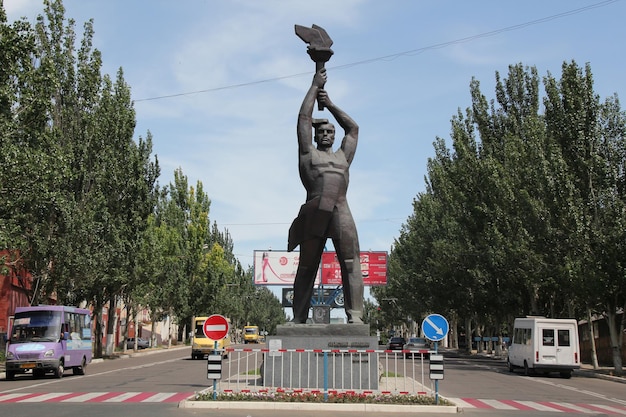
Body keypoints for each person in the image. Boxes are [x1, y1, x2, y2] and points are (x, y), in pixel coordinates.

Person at [288, 68, 364, 324]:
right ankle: (298, 318)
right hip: (316, 211)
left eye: (330, 132)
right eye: (321, 132)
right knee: (307, 267)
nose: (326, 134)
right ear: (315, 135)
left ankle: (354, 315)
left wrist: (329, 104)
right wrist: (313, 87)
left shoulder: (343, 157)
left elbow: (353, 129)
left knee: (352, 263)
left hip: (341, 212)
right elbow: (302, 118)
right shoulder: (308, 155)